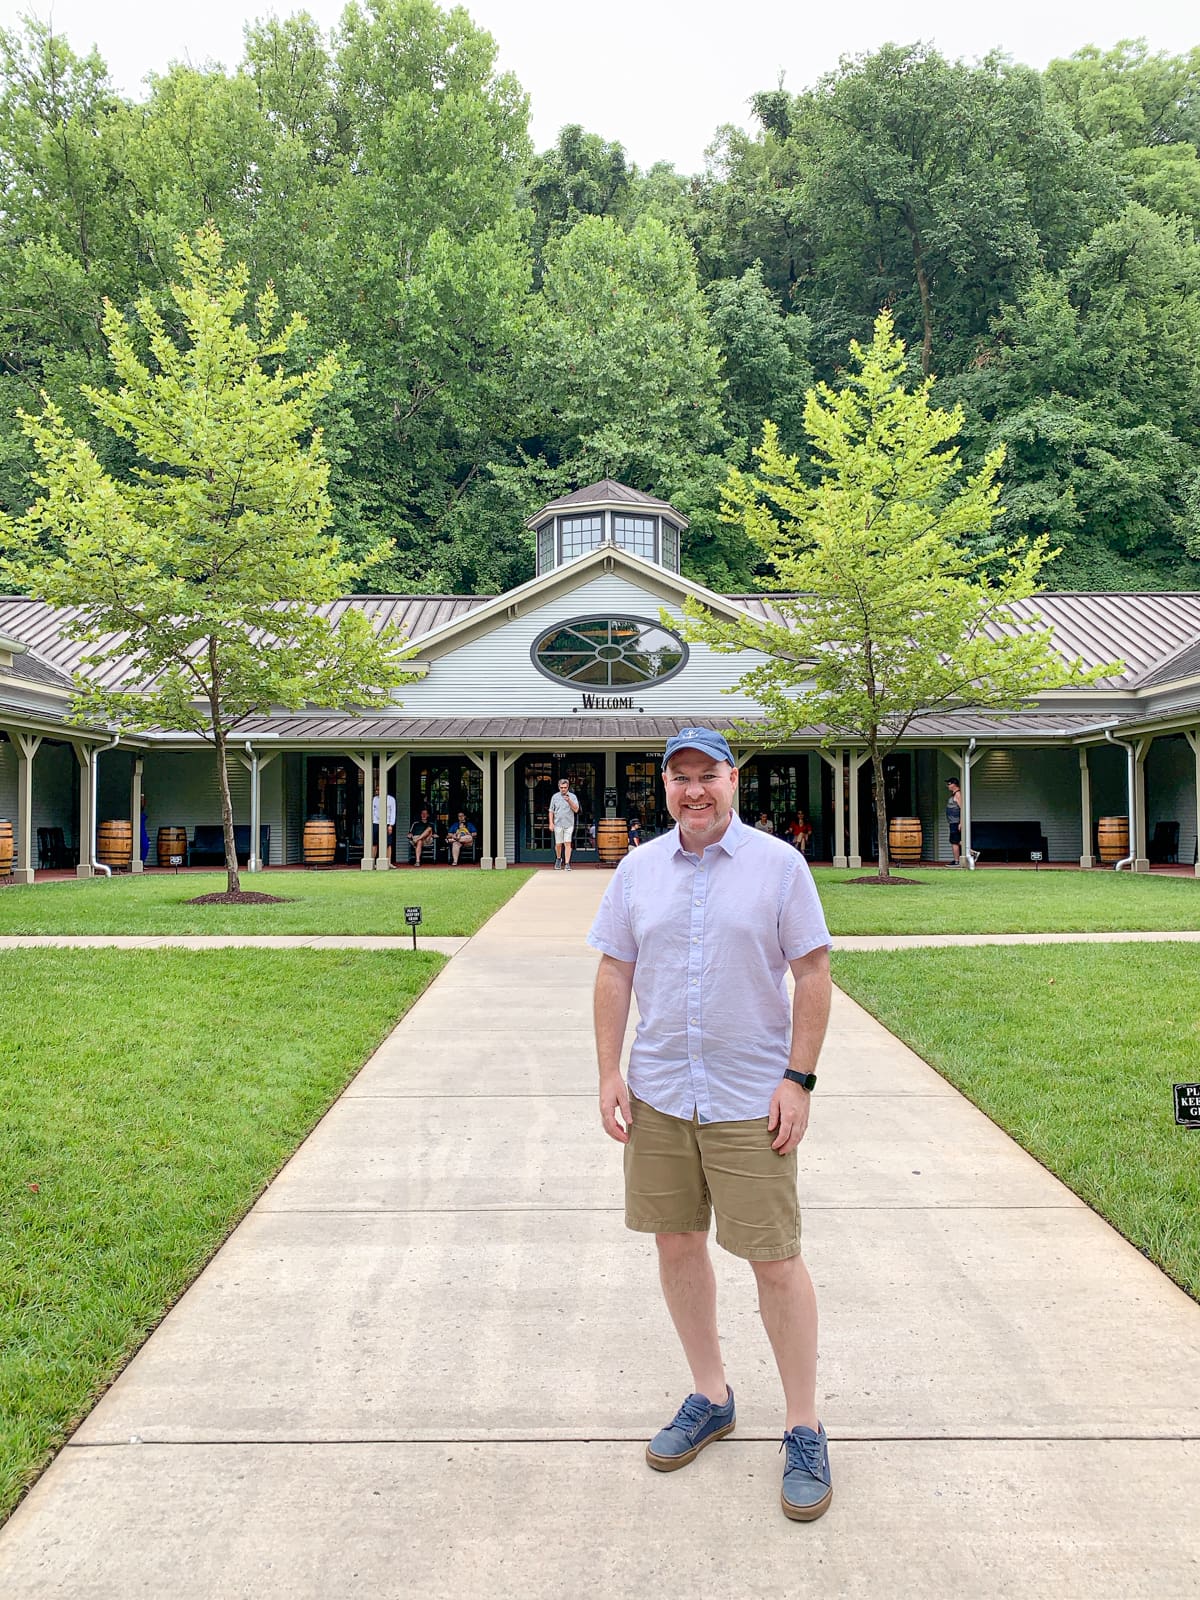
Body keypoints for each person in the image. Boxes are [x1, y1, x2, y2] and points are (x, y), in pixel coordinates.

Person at [589, 725, 835, 1523]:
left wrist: (797, 1080)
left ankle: (803, 1424)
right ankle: (712, 1395)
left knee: (774, 1259)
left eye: (707, 775)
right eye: (678, 777)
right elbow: (614, 970)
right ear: (663, 788)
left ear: (734, 780)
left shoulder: (779, 866)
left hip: (747, 1098)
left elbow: (813, 975)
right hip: (661, 1093)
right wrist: (608, 1072)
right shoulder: (636, 871)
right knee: (675, 1242)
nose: (693, 790)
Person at [549, 775, 580, 871]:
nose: (563, 789)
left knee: (567, 843)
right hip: (558, 824)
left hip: (569, 824)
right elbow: (551, 811)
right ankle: (558, 859)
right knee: (558, 844)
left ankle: (567, 863)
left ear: (568, 787)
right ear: (559, 787)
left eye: (565, 787)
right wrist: (551, 823)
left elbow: (576, 809)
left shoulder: (573, 797)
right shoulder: (555, 797)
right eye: (561, 787)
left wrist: (569, 800)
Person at [372, 781, 397, 865]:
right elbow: (372, 811)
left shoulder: (391, 799)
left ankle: (388, 863)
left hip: (387, 823)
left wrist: (391, 825)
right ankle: (373, 862)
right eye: (376, 790)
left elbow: (393, 812)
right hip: (376, 822)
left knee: (388, 844)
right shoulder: (375, 799)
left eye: (378, 789)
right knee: (374, 843)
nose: (376, 791)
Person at [945, 778, 962, 866]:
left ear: (954, 785)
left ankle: (957, 861)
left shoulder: (958, 795)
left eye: (949, 784)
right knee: (955, 840)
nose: (947, 786)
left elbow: (963, 808)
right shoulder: (954, 795)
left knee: (954, 841)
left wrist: (961, 822)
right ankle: (957, 860)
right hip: (952, 822)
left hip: (956, 822)